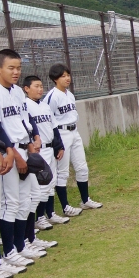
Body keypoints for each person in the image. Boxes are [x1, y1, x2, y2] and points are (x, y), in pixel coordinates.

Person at [0, 49, 45, 268]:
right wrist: (15, 154)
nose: (16, 72)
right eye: (11, 68)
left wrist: (31, 142)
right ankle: (9, 251)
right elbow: (1, 128)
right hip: (8, 153)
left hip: (23, 148)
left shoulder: (17, 92)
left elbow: (23, 120)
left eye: (18, 67)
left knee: (26, 200)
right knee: (10, 203)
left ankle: (21, 245)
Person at [44, 63, 102, 217]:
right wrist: (56, 142)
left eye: (68, 75)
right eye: (63, 76)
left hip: (74, 131)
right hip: (61, 133)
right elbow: (47, 120)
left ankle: (85, 200)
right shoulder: (52, 96)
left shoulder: (69, 94)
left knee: (82, 167)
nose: (67, 78)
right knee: (62, 172)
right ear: (55, 79)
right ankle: (65, 207)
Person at [21, 75, 61, 251]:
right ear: (26, 88)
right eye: (36, 86)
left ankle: (43, 219)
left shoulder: (44, 105)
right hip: (32, 151)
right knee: (32, 193)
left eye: (41, 86)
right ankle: (30, 230)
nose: (40, 89)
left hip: (46, 147)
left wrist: (58, 145)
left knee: (48, 185)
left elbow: (52, 127)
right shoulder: (25, 104)